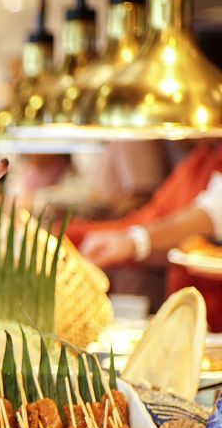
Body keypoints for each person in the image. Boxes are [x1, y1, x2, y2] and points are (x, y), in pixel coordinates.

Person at [71, 141, 222, 329]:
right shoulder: (198, 160)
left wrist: (134, 241)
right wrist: (69, 235)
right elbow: (152, 219)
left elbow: (213, 211)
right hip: (188, 322)